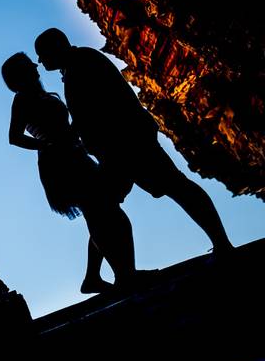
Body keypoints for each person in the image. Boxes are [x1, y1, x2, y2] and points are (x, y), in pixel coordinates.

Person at [33, 28, 233, 280]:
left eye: (42, 54)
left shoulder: (83, 64)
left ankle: (220, 243)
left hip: (126, 146)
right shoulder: (78, 65)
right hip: (118, 149)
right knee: (107, 206)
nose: (41, 61)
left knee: (169, 188)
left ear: (56, 47)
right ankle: (100, 276)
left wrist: (71, 139)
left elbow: (98, 110)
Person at [2, 51, 140, 291]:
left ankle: (102, 277)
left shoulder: (42, 96)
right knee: (105, 213)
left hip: (74, 156)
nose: (36, 66)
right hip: (62, 163)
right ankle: (124, 275)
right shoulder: (23, 99)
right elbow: (14, 138)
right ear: (21, 74)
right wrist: (46, 144)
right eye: (28, 65)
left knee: (103, 214)